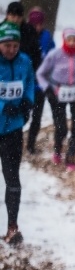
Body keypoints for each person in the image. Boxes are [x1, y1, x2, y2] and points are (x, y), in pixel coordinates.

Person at [36, 28, 75, 172]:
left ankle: (70, 156)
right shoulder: (54, 55)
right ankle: (57, 149)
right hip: (57, 94)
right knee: (61, 126)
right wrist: (47, 90)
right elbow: (40, 74)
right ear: (64, 39)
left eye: (74, 39)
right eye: (69, 39)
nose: (72, 42)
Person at [0, 21, 35, 245]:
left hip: (13, 130)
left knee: (13, 178)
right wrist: (4, 106)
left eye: (15, 45)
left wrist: (26, 105)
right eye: (7, 45)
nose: (11, 49)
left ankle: (13, 227)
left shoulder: (25, 62)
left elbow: (30, 85)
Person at [25, 7, 55, 154]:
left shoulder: (47, 37)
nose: (37, 27)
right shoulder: (24, 35)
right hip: (25, 85)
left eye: (40, 24)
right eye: (34, 24)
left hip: (40, 85)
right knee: (21, 115)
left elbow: (54, 56)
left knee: (36, 117)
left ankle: (30, 145)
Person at [3, 2, 41, 73]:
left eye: (19, 17)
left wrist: (31, 71)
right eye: (13, 16)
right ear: (7, 15)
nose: (15, 20)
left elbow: (36, 54)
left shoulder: (29, 31)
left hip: (24, 71)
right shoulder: (1, 30)